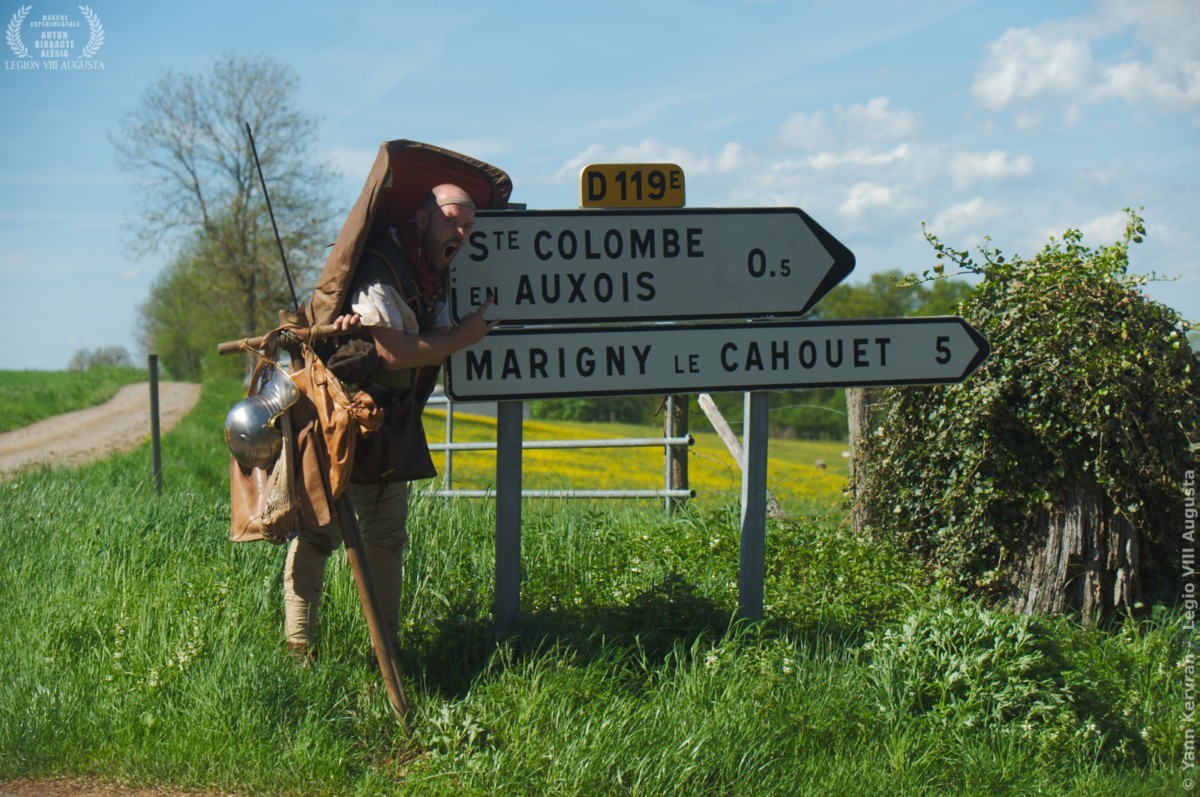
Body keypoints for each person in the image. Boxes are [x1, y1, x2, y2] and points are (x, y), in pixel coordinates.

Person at [283, 183, 496, 661]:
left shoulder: (433, 271)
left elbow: (431, 339)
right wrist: (464, 337)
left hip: (390, 421)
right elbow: (394, 352)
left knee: (386, 537)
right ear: (422, 219)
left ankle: (387, 653)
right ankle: (299, 653)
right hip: (337, 417)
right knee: (318, 532)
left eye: (468, 227)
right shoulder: (379, 267)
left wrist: (447, 338)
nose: (461, 234)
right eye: (452, 222)